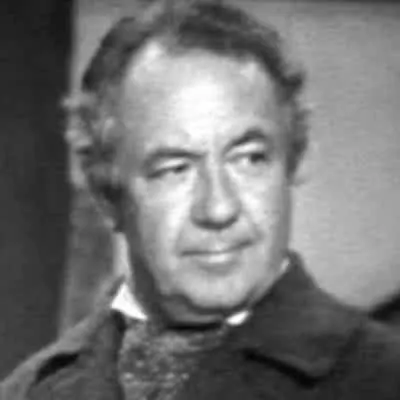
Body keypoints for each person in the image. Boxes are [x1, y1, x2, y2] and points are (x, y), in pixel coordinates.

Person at [2, 0, 400, 399]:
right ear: (106, 194)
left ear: (292, 163)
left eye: (249, 159)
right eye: (175, 169)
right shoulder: (28, 391)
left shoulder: (383, 376)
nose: (218, 208)